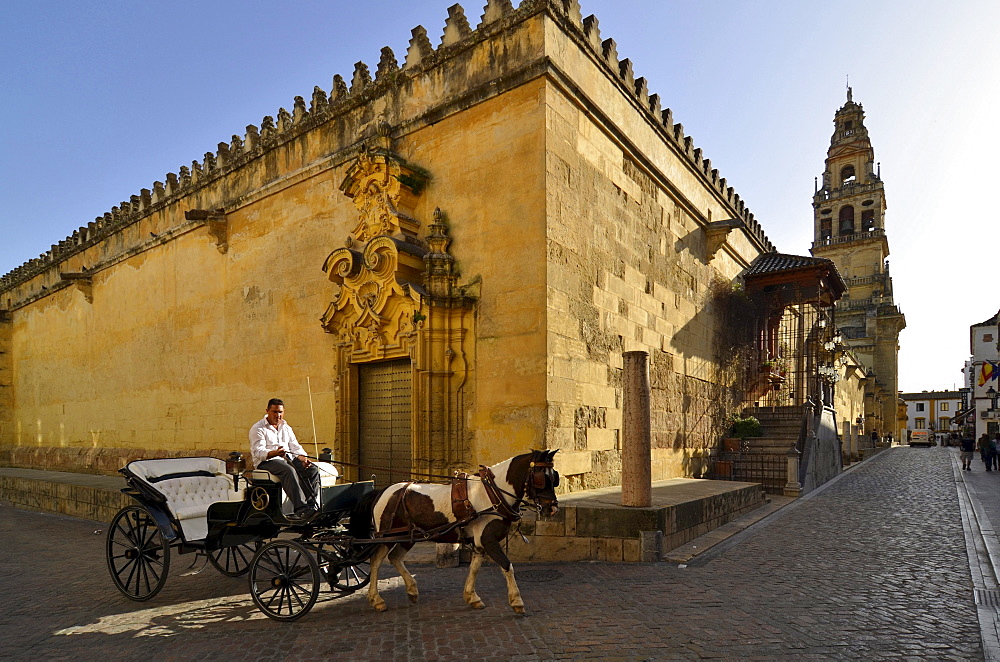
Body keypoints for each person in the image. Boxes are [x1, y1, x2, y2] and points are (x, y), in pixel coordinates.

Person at [249, 398, 321, 522]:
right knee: (288, 470)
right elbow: (258, 452)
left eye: (280, 412)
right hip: (266, 461)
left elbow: (295, 446)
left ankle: (312, 506)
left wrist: (303, 458)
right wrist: (274, 453)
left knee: (313, 470)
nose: (278, 415)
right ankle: (301, 509)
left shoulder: (286, 427)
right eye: (275, 412)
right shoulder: (258, 428)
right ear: (267, 411)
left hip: (287, 458)